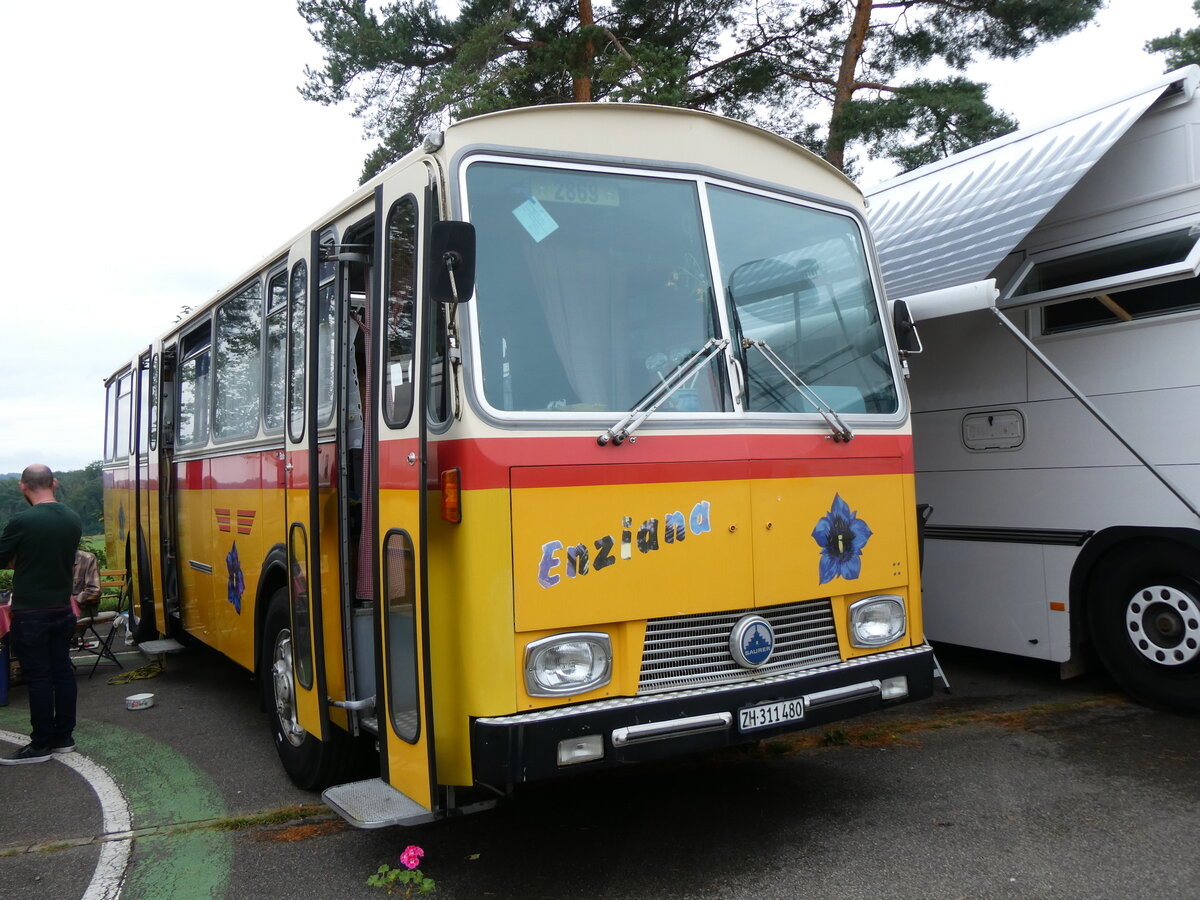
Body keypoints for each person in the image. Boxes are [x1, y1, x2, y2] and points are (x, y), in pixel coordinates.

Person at [0, 464, 83, 764]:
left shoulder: (23, 520)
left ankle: (40, 744)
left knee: (38, 677)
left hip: (31, 610)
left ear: (23, 486)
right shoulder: (72, 518)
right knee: (62, 671)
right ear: (55, 483)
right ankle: (64, 737)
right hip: (63, 607)